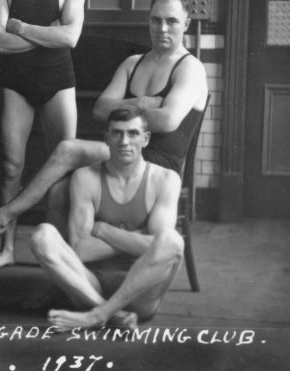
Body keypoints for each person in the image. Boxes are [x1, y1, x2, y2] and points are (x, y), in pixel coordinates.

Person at [0, 0, 208, 268]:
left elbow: (167, 121)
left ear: (187, 23)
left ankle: (3, 216)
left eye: (172, 21)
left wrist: (123, 108)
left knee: (69, 149)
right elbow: (99, 109)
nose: (163, 28)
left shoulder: (190, 68)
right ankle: (64, 270)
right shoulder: (133, 64)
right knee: (59, 190)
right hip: (121, 155)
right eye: (156, 20)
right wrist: (144, 102)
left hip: (158, 166)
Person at [0, 0, 86, 271]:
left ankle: (57, 251)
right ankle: (8, 248)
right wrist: (49, 34)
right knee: (12, 167)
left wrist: (21, 27)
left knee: (62, 166)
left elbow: (71, 37)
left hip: (59, 81)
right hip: (17, 82)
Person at [29, 106, 183, 330]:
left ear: (146, 139)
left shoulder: (166, 179)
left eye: (133, 133)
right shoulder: (85, 177)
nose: (124, 141)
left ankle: (98, 315)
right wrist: (138, 240)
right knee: (42, 235)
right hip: (90, 287)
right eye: (117, 133)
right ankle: (111, 314)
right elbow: (80, 249)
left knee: (172, 241)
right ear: (107, 138)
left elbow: (158, 246)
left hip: (141, 292)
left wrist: (103, 230)